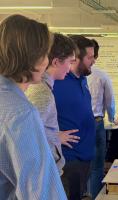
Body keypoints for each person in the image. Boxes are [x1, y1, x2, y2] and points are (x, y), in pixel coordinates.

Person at [0, 14, 66, 199]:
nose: (47, 61)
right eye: (45, 53)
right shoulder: (20, 113)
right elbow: (40, 190)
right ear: (32, 57)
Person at [26, 33, 79, 175]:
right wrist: (55, 137)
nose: (70, 68)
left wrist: (53, 133)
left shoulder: (43, 87)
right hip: (44, 172)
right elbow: (29, 136)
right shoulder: (41, 92)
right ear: (56, 62)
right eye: (70, 62)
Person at [53, 35, 96, 200]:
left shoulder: (83, 79)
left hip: (84, 156)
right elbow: (32, 119)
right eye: (90, 57)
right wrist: (55, 136)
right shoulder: (57, 81)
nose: (93, 61)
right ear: (75, 58)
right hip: (69, 159)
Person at [86, 39, 115, 199]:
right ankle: (95, 195)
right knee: (97, 165)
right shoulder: (102, 75)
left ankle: (83, 191)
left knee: (81, 162)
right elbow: (109, 102)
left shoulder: (66, 75)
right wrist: (111, 118)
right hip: (96, 123)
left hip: (76, 125)